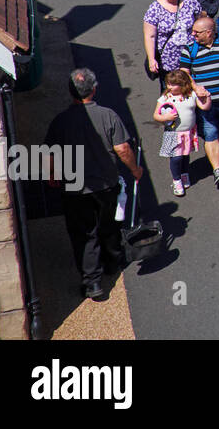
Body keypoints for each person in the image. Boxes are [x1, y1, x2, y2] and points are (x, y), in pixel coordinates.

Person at [44, 68, 143, 302]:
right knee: (108, 225)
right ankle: (112, 262)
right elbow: (122, 149)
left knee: (83, 233)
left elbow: (49, 153)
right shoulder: (108, 115)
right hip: (106, 183)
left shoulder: (60, 122)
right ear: (94, 89)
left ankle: (93, 283)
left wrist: (52, 174)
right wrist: (135, 170)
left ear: (70, 92)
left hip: (75, 187)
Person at [182, 16, 219, 188]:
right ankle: (218, 170)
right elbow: (184, 72)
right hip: (205, 102)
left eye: (197, 32)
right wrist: (195, 87)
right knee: (210, 133)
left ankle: (218, 153)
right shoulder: (189, 49)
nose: (193, 34)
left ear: (209, 33)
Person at [144, 0, 203, 94]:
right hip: (168, 60)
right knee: (170, 90)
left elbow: (200, 19)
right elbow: (150, 36)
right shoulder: (155, 9)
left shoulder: (189, 1)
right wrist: (151, 59)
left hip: (190, 55)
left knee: (190, 87)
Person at [154, 70, 206, 197]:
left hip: (188, 132)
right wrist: (165, 117)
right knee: (176, 157)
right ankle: (176, 180)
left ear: (182, 84)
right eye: (168, 84)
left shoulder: (191, 95)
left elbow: (204, 106)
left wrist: (206, 95)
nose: (169, 87)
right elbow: (156, 115)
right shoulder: (165, 98)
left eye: (173, 84)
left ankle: (184, 174)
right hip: (173, 133)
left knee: (185, 154)